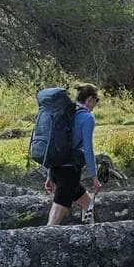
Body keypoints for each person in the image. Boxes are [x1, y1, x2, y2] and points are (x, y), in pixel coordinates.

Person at [46, 84, 101, 226]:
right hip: (69, 173)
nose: (96, 105)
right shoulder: (87, 118)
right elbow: (88, 148)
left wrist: (49, 174)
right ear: (90, 99)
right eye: (97, 100)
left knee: (88, 203)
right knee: (54, 219)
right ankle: (42, 245)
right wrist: (94, 176)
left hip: (56, 169)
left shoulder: (66, 114)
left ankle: (89, 240)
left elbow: (53, 144)